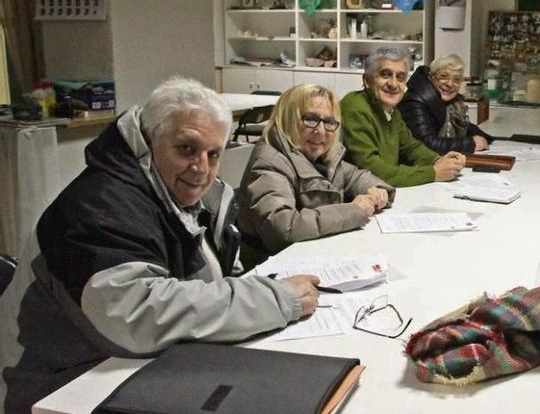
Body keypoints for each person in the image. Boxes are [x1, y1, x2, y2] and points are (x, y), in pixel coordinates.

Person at [0, 77, 320, 413]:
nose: (201, 168)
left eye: (213, 154)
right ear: (149, 139)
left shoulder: (196, 198)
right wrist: (276, 299)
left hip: (128, 367)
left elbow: (218, 280)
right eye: (186, 149)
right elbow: (140, 315)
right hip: (52, 388)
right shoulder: (96, 208)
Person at [237, 84, 394, 267]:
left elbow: (355, 176)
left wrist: (376, 190)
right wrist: (353, 211)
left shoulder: (322, 156)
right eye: (310, 119)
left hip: (315, 256)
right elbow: (283, 228)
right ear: (287, 120)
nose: (320, 130)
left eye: (329, 122)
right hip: (276, 270)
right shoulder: (270, 162)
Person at [341, 47, 465, 187]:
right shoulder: (355, 106)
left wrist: (438, 161)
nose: (393, 84)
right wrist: (433, 173)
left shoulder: (391, 110)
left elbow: (410, 147)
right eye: (385, 74)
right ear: (367, 81)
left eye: (400, 77)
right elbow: (372, 171)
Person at [398, 53, 493, 154]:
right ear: (431, 77)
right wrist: (471, 143)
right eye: (443, 76)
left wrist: (491, 139)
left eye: (456, 79)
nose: (450, 84)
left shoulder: (452, 104)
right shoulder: (414, 102)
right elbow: (426, 144)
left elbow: (465, 126)